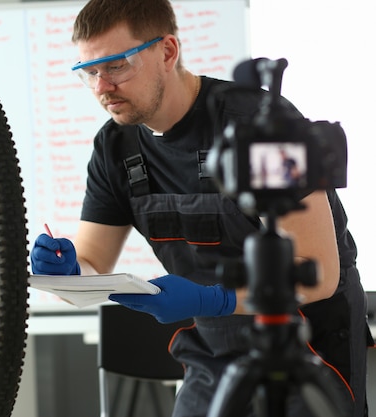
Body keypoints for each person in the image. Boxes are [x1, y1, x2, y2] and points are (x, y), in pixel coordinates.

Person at [29, 0, 373, 416]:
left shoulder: (257, 125)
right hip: (215, 348)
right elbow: (92, 263)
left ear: (168, 51)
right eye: (90, 72)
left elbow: (317, 272)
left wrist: (213, 299)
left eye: (117, 65)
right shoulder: (114, 148)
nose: (102, 87)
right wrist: (67, 274)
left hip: (306, 340)